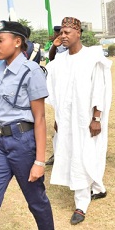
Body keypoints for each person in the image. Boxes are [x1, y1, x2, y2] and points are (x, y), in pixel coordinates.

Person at [0, 21, 54, 230]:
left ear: (17, 42)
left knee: (36, 201)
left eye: (0, 40)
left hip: (22, 143)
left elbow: (40, 118)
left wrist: (39, 161)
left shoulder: (31, 71)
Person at [46, 17, 112, 225]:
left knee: (84, 156)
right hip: (66, 119)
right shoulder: (60, 61)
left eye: (67, 33)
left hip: (87, 118)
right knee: (71, 153)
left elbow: (99, 89)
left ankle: (81, 204)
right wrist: (58, 117)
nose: (63, 36)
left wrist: (96, 118)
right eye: (61, 33)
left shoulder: (92, 57)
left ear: (78, 33)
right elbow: (52, 80)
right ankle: (98, 188)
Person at [45, 25, 68, 166]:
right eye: (58, 33)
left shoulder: (72, 47)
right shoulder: (57, 46)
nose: (61, 36)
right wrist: (54, 46)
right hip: (59, 88)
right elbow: (51, 59)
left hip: (71, 89)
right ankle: (58, 153)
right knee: (58, 122)